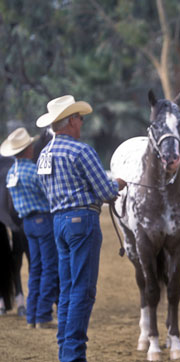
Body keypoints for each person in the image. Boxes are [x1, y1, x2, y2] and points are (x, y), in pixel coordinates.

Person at [35, 95, 127, 362]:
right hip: (82, 222)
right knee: (83, 290)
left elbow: (45, 190)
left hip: (58, 223)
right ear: (72, 121)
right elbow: (105, 190)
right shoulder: (81, 151)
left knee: (66, 288)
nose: (82, 123)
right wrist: (120, 183)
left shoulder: (43, 155)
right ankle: (73, 354)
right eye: (80, 119)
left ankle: (65, 347)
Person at [0, 127, 58, 329]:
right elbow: (50, 194)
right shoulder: (34, 171)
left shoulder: (11, 173)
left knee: (36, 269)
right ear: (27, 149)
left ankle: (32, 315)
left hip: (27, 224)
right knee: (50, 268)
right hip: (43, 221)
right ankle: (43, 315)